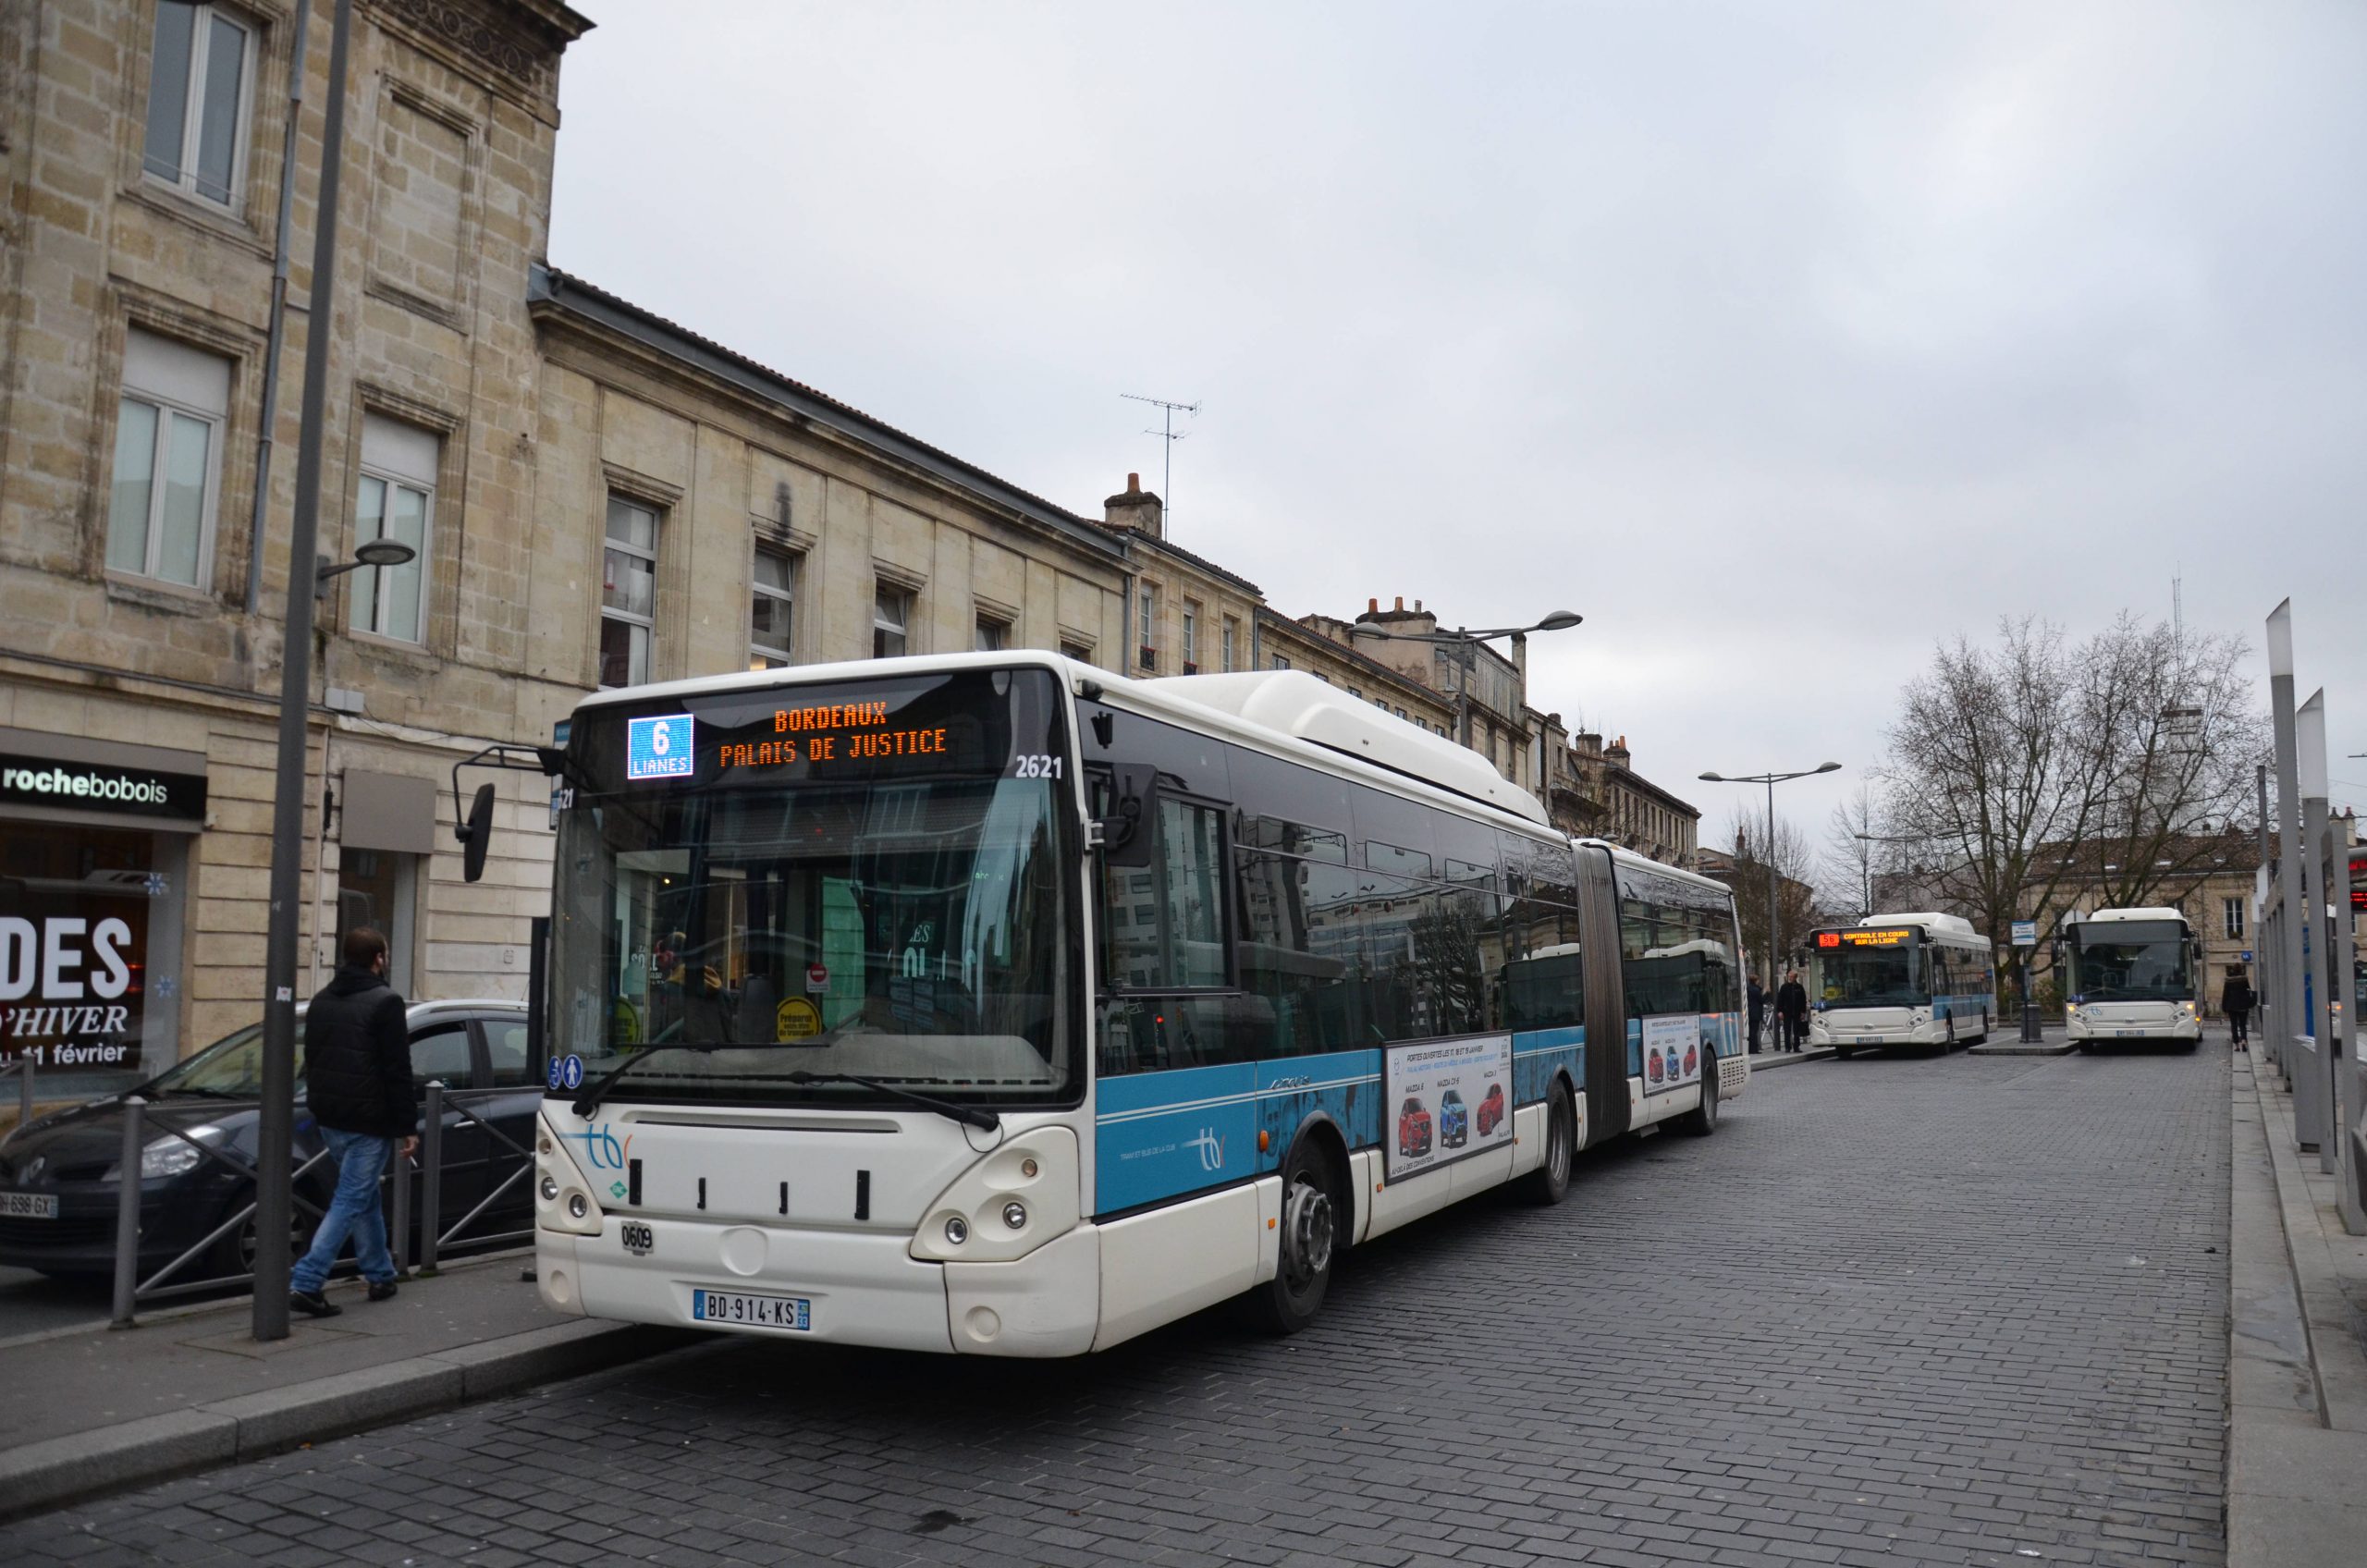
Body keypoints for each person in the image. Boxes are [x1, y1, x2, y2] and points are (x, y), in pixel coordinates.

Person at [288, 926, 417, 1318]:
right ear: (379, 958)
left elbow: (314, 1059)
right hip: (368, 1120)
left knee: (363, 1197)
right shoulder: (386, 1002)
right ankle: (306, 1282)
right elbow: (397, 1068)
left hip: (330, 1117)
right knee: (351, 1199)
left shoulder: (322, 1000)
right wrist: (406, 1124)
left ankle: (380, 1274)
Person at [1775, 969, 1809, 1052]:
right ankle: (1787, 1046)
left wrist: (1803, 1012)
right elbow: (1780, 1000)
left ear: (1795, 977)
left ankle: (1796, 1046)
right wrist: (1779, 1011)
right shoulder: (1784, 987)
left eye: (1791, 977)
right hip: (1787, 1011)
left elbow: (1803, 1000)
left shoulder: (1799, 987)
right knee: (1787, 1030)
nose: (1790, 978)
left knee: (1796, 1030)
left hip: (1797, 1011)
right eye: (1789, 976)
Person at [2221, 969, 2254, 1047]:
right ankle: (2243, 1040)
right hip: (2243, 1005)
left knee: (2234, 1025)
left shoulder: (2228, 981)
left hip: (2232, 1006)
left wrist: (2224, 1007)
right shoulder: (2244, 979)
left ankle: (2236, 1045)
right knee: (2243, 1025)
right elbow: (2248, 990)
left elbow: (2225, 994)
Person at [1746, 974, 1767, 1055]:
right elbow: (1761, 1000)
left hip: (1749, 1012)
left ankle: (1750, 1048)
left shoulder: (1748, 989)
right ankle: (1754, 1048)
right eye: (1758, 980)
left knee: (1751, 1031)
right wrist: (1766, 993)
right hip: (1755, 1013)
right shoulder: (1756, 990)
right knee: (1754, 1031)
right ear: (1756, 981)